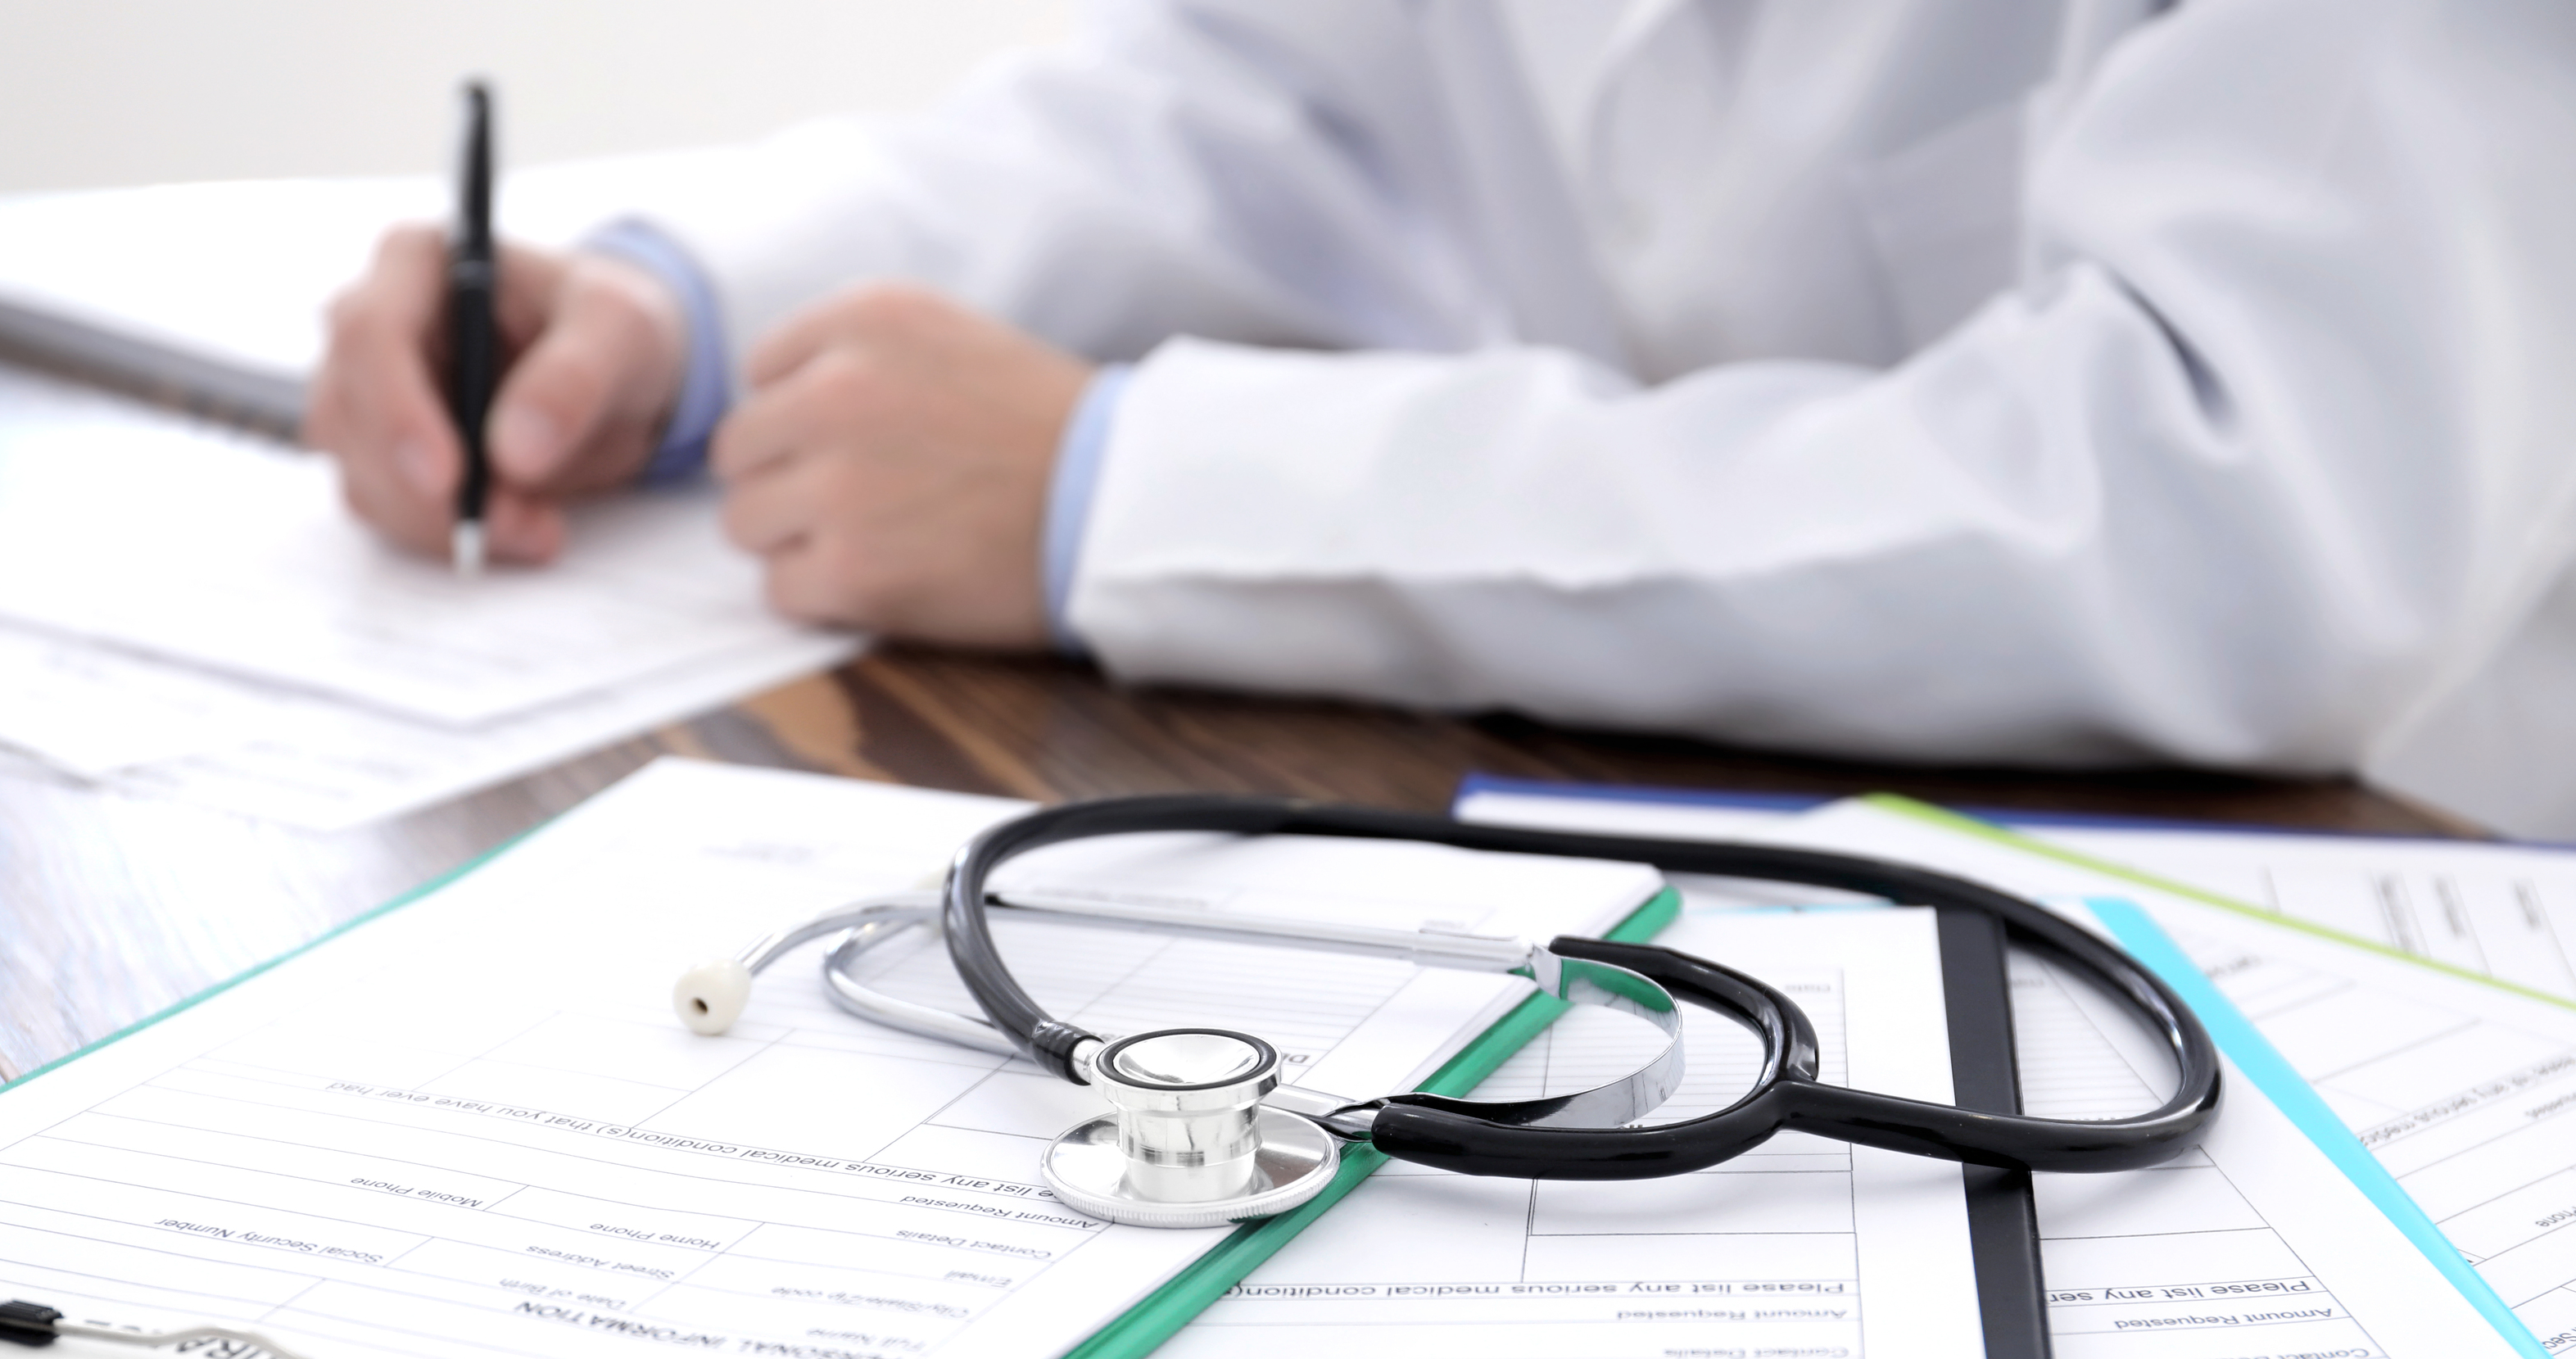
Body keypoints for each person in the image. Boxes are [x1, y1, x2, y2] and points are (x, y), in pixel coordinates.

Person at [306, 0, 2576, 827]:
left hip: (2356, 935)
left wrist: (1128, 486)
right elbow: (1273, 101)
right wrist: (687, 314)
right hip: (1716, 832)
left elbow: (2238, 502)